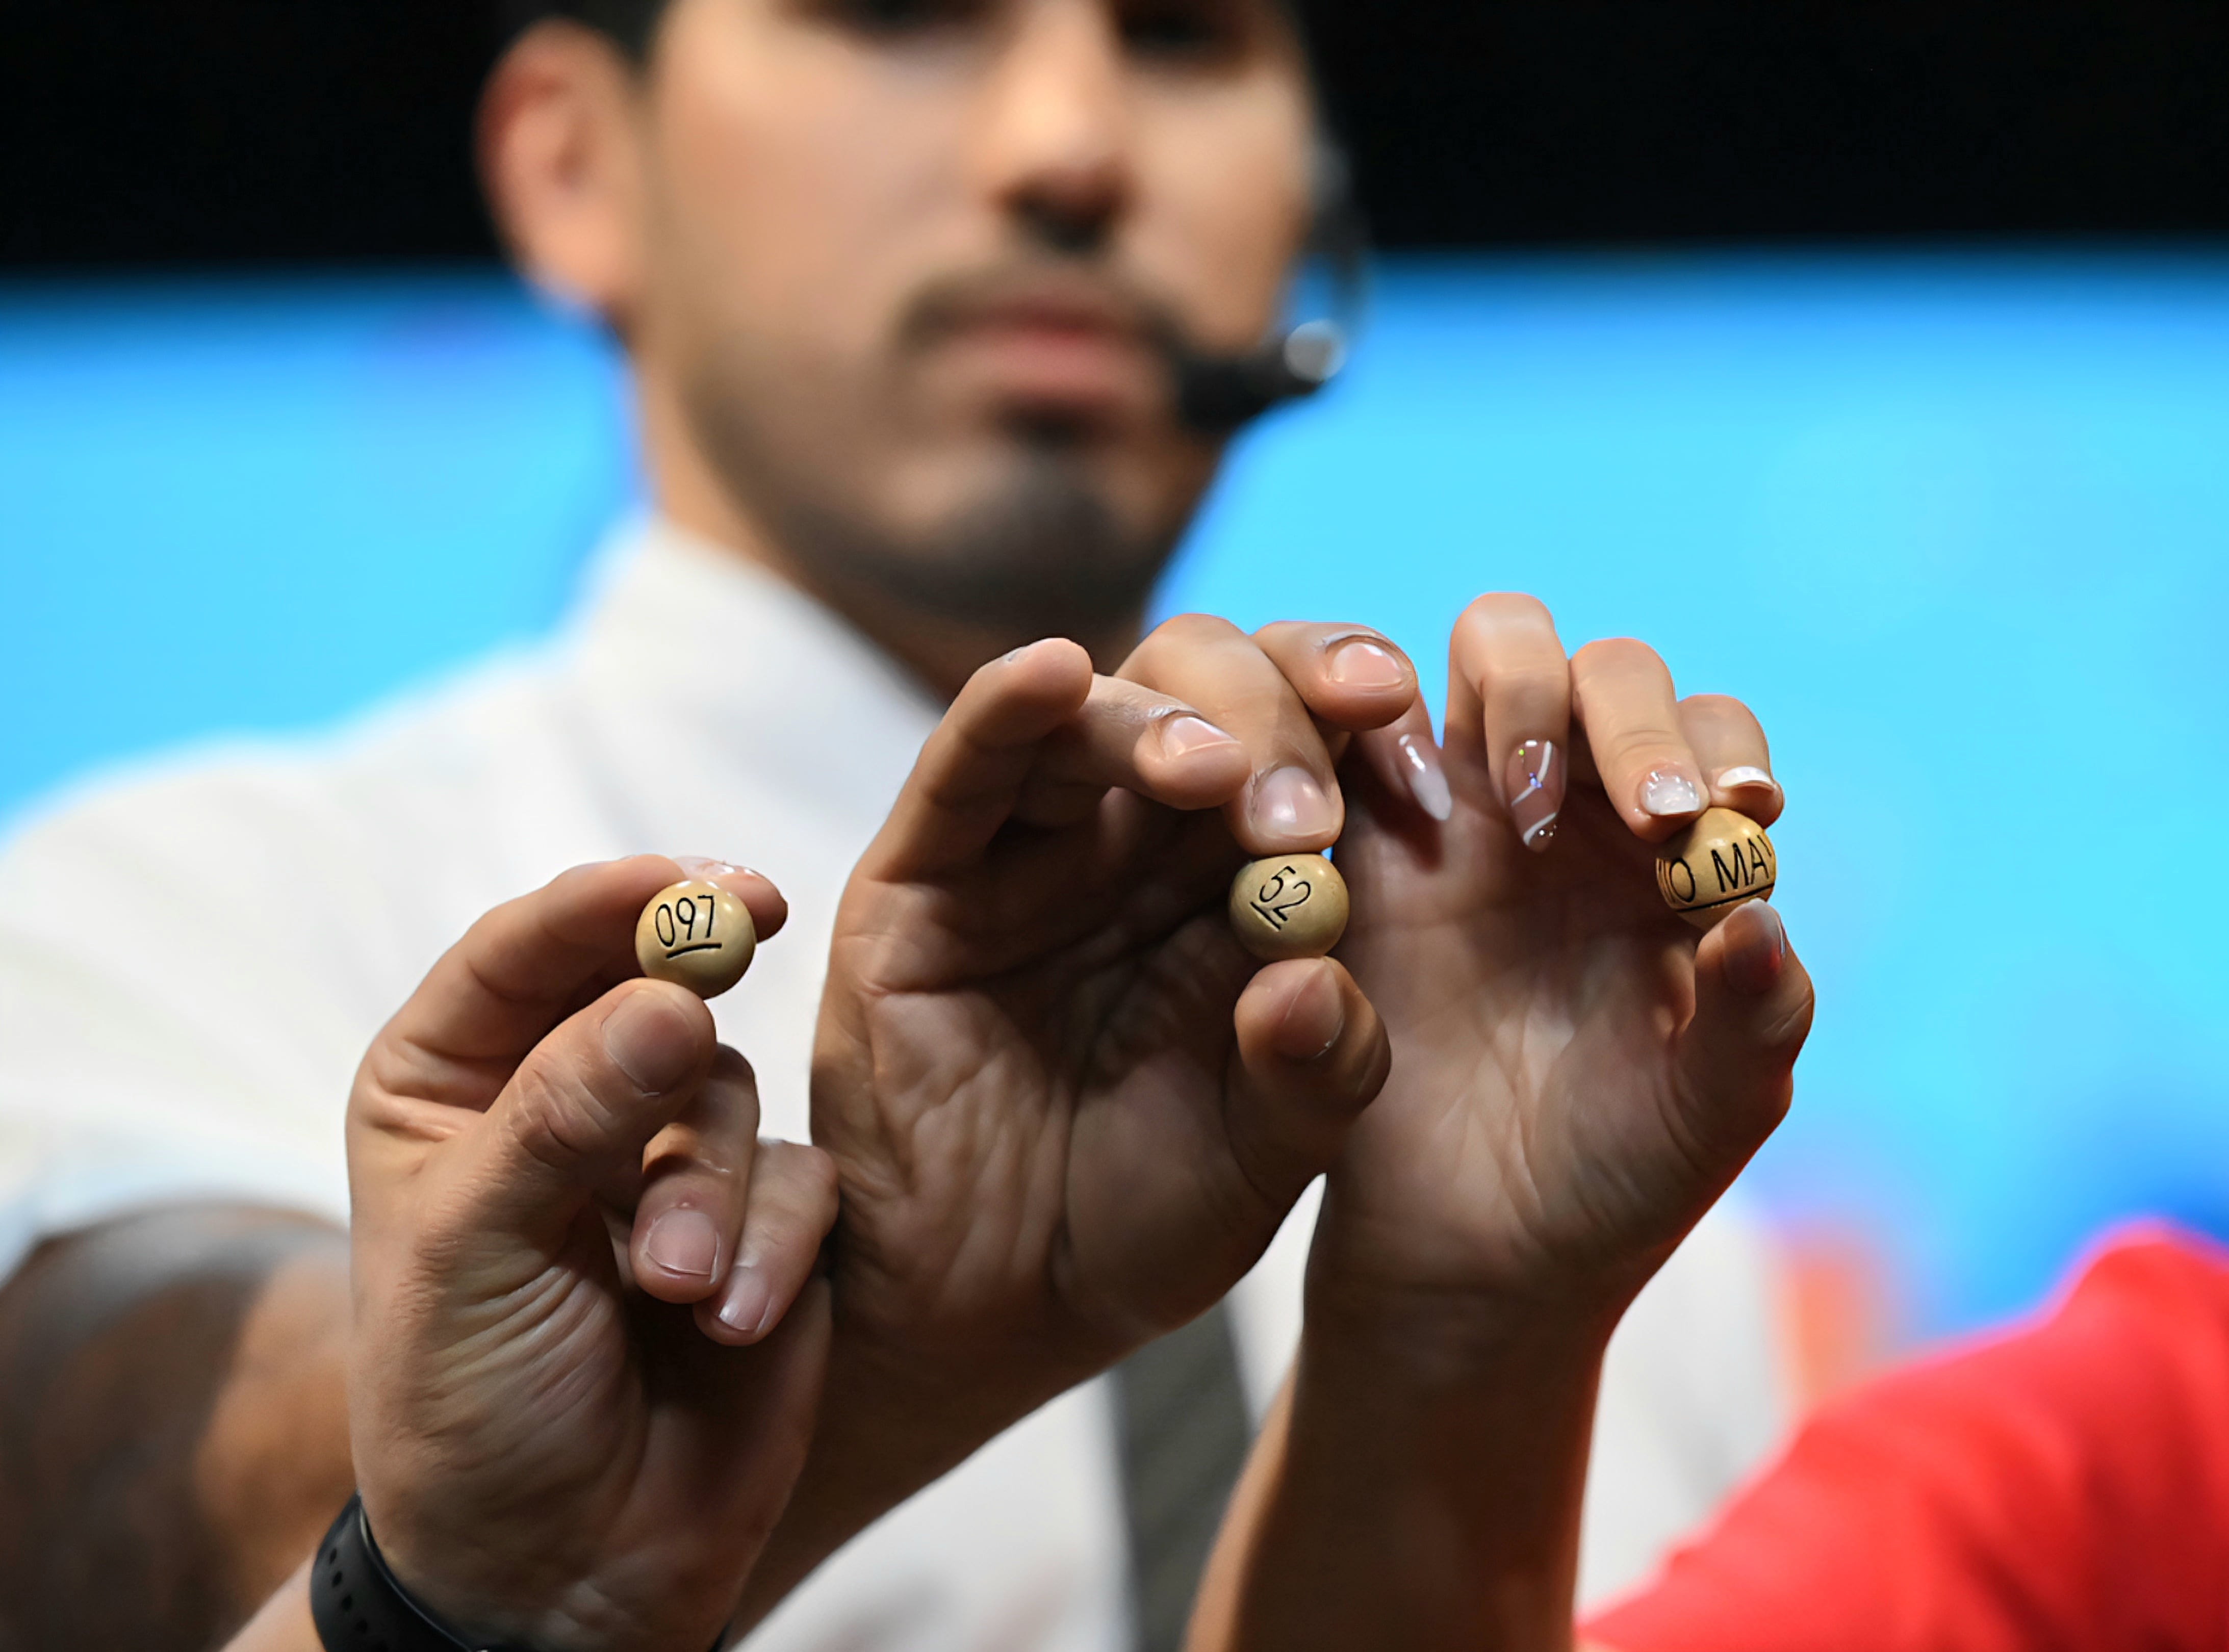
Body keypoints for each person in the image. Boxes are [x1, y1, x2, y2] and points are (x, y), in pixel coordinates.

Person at [0, 0, 1791, 1646]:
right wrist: (812, 1379)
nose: (1068, 146)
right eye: (898, 15)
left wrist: (1458, 1351)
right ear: (574, 163)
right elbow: (129, 1534)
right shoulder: (156, 918)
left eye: (1182, 38)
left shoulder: (1624, 1200)